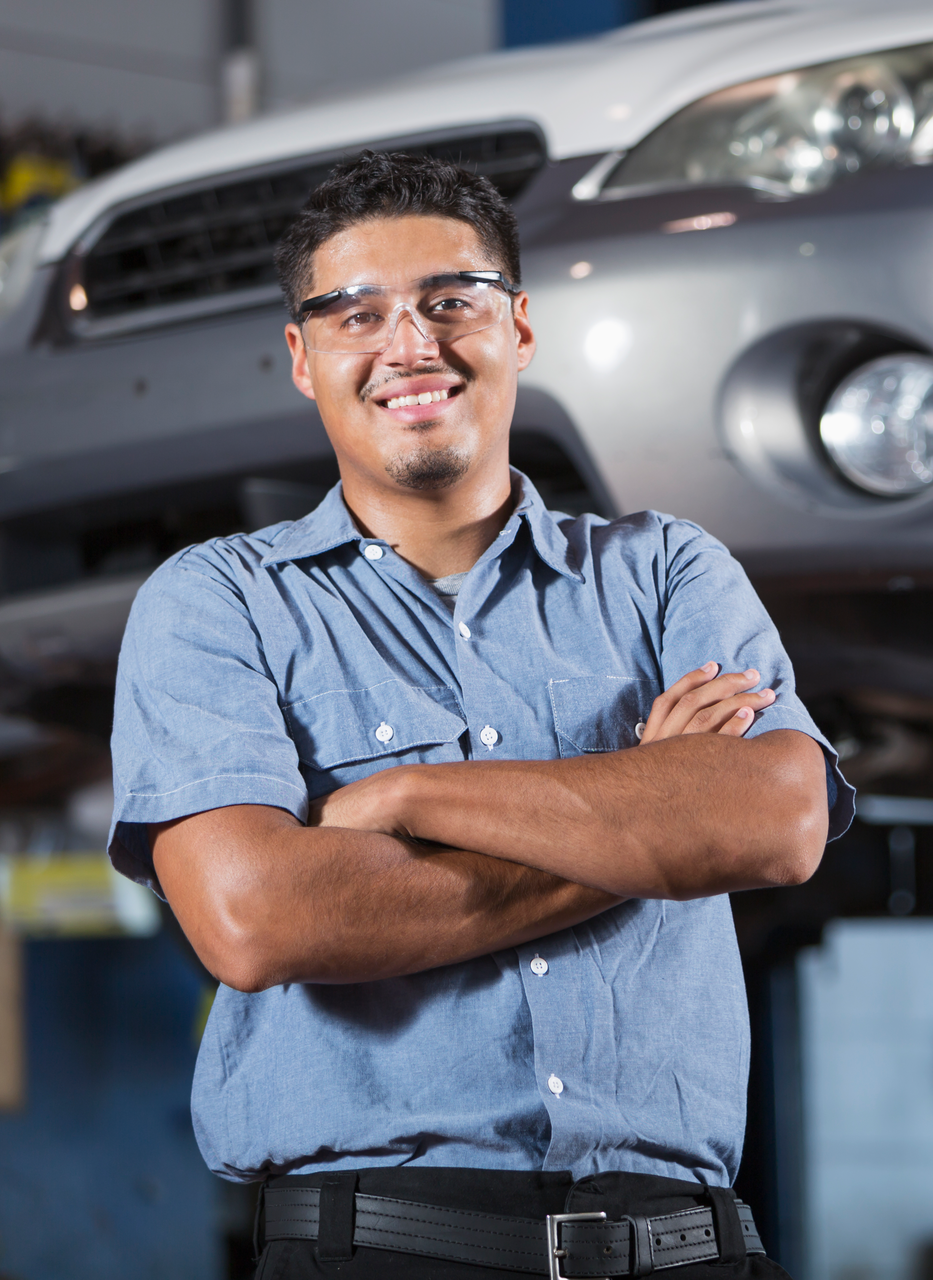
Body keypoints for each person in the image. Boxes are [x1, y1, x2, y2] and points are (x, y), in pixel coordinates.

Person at [106, 150, 853, 1279]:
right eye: (359, 313)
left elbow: (780, 820)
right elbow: (257, 919)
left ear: (519, 327)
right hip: (382, 1249)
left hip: (685, 1245)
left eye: (452, 301)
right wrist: (650, 815)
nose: (412, 345)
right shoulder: (219, 604)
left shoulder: (665, 573)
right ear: (304, 359)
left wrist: (411, 798)